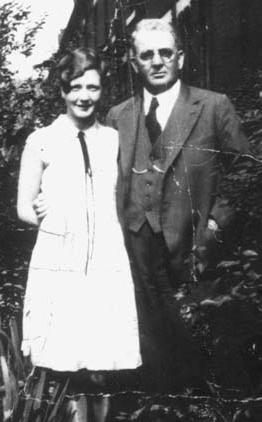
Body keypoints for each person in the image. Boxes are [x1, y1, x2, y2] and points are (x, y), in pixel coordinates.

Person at [106, 19, 251, 392]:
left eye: (165, 53)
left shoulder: (214, 107)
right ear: (133, 62)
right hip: (136, 261)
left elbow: (245, 174)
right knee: (149, 364)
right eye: (147, 55)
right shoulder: (117, 117)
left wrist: (216, 224)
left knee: (200, 364)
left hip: (195, 251)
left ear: (180, 58)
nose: (157, 61)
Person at [17, 48, 141, 422]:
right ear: (62, 90)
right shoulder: (42, 140)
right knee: (70, 356)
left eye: (93, 87)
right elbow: (23, 209)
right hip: (60, 257)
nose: (85, 96)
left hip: (106, 254)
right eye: (76, 87)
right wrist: (44, 210)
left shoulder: (112, 138)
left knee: (102, 356)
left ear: (102, 90)